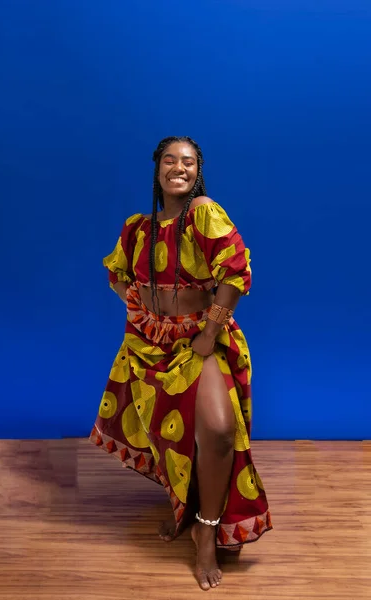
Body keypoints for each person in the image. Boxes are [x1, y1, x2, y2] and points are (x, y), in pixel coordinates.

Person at [90, 136, 272, 590]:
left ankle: (207, 532)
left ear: (197, 171)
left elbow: (235, 270)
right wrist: (141, 311)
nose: (178, 168)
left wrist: (210, 332)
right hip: (150, 345)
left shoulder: (202, 212)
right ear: (157, 170)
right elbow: (118, 274)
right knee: (167, 433)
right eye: (169, 160)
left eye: (187, 162)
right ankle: (185, 511)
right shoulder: (137, 228)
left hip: (198, 340)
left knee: (216, 430)